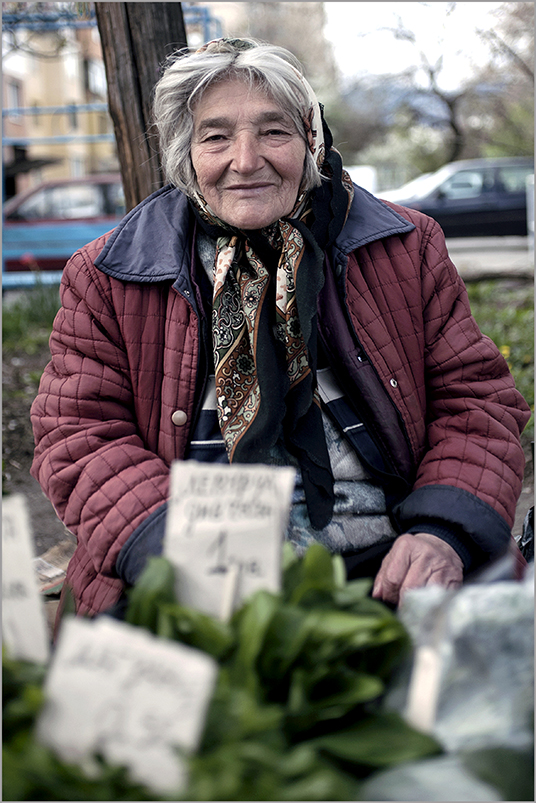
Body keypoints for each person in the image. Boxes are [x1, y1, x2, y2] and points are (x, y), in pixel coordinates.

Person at [31, 38, 530, 622]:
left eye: (274, 132)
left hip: (385, 559)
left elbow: (477, 402)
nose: (246, 160)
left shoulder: (403, 246)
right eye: (216, 136)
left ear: (310, 140)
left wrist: (443, 531)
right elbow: (77, 433)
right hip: (187, 568)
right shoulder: (109, 273)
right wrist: (168, 550)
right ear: (184, 154)